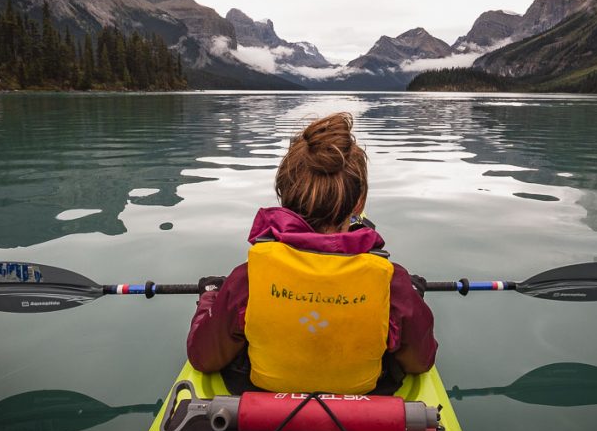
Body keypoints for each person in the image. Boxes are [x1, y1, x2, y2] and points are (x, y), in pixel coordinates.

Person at [187, 112, 437, 395]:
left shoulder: (247, 279)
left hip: (263, 408)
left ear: (284, 195)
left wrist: (210, 297)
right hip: (366, 407)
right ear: (359, 202)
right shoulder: (393, 283)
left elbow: (203, 357)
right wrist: (412, 295)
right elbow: (420, 360)